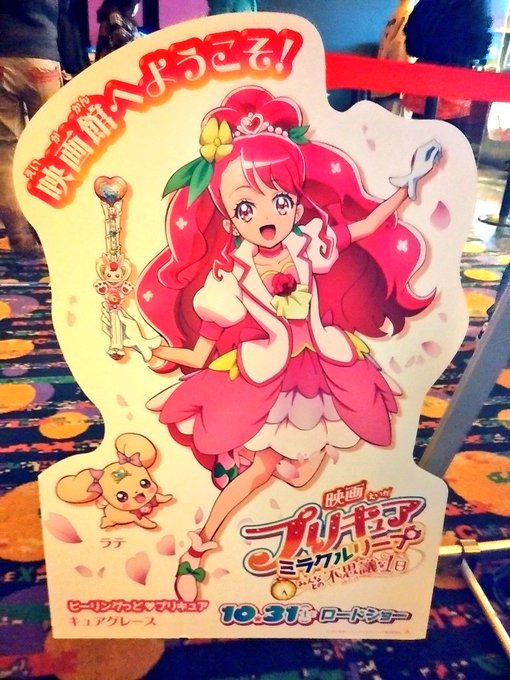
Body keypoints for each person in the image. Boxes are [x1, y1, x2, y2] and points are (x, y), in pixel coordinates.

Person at [107, 86, 441, 602]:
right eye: (246, 207)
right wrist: (156, 351)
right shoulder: (232, 273)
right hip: (268, 371)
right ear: (230, 218)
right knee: (264, 468)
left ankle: (253, 462)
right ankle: (198, 549)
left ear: (294, 203)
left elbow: (368, 224)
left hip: (323, 364)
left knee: (305, 467)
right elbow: (200, 354)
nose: (266, 216)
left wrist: (409, 186)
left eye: (279, 200)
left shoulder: (309, 244)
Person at [0, 0, 62, 255]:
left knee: (5, 150)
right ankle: (55, 231)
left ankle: (20, 239)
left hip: (3, 56)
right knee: (54, 149)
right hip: (43, 55)